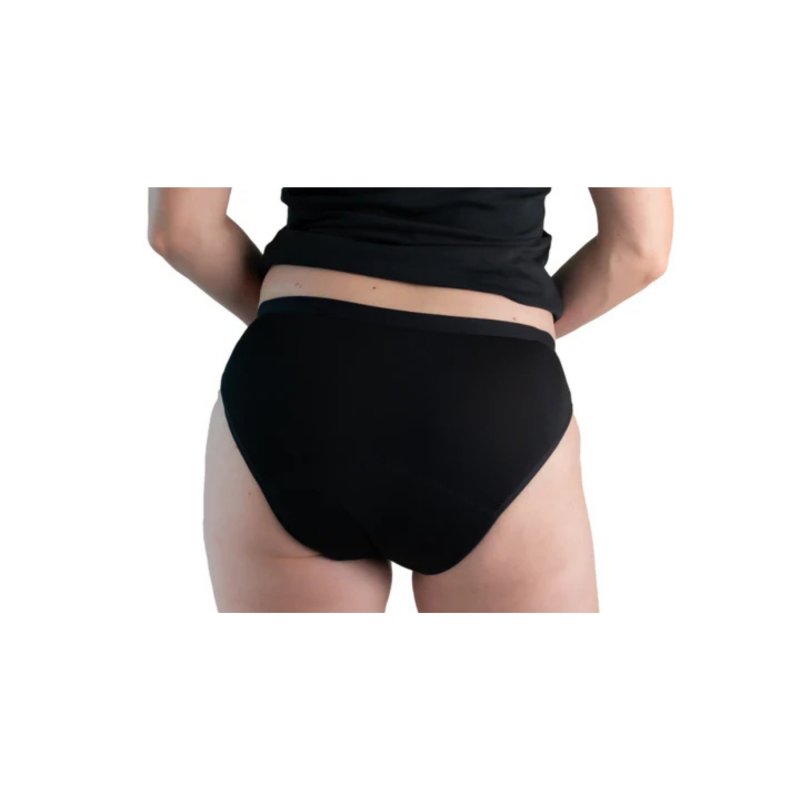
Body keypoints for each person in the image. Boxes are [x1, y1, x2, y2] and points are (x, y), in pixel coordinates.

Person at [148, 188, 673, 612]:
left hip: (295, 382)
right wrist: (514, 336)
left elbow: (181, 229)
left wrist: (301, 326)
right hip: (491, 396)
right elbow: (640, 249)